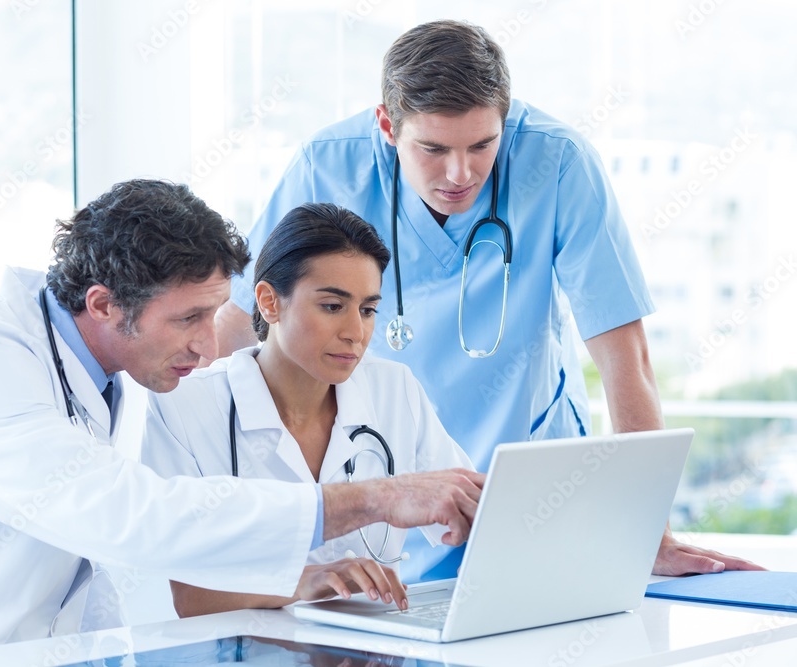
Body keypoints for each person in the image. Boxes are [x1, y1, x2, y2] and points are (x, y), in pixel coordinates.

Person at [0, 180, 483, 666]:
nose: (208, 344)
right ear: (105, 304)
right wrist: (374, 497)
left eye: (211, 314)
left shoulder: (105, 374)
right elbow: (134, 515)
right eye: (189, 319)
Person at [213, 20, 762, 580]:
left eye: (483, 145)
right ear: (387, 124)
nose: (461, 173)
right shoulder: (328, 165)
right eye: (432, 148)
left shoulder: (558, 162)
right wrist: (258, 488)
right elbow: (241, 320)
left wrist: (650, 529)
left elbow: (625, 356)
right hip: (388, 474)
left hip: (530, 476)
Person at [142, 203, 483, 617]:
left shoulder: (395, 389)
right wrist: (307, 580)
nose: (356, 333)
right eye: (332, 306)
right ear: (269, 302)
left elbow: (472, 514)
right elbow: (191, 598)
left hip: (374, 652)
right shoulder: (183, 407)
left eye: (368, 310)